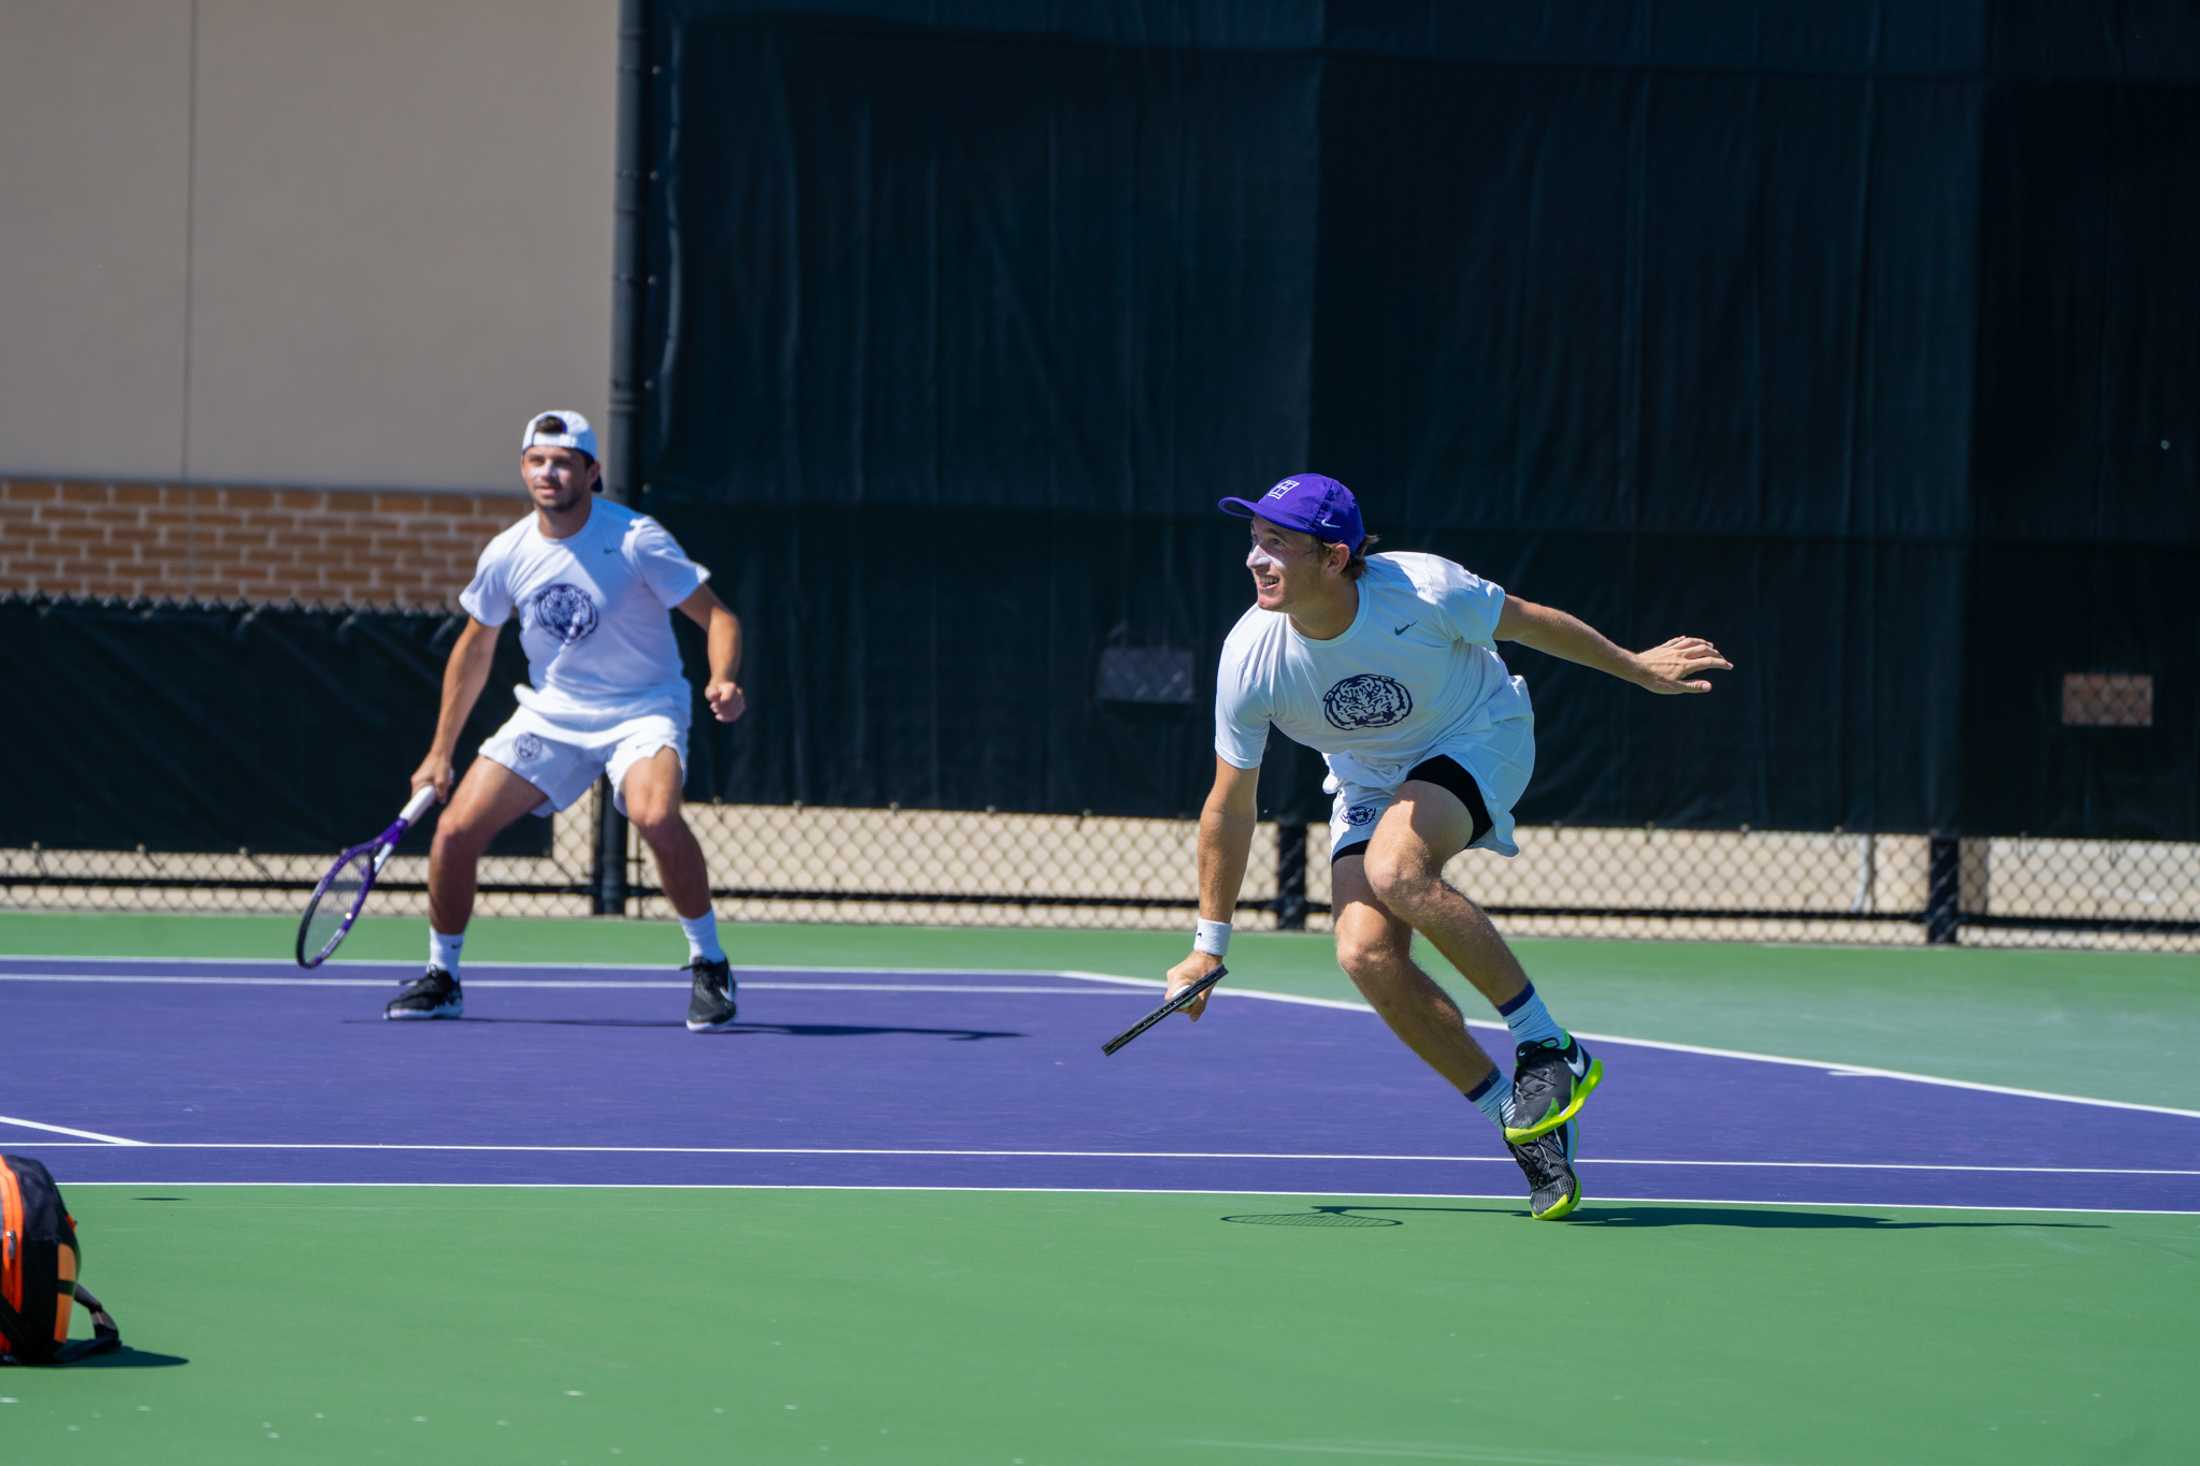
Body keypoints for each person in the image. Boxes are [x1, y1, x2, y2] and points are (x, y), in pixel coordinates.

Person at [1164, 473, 1730, 1219]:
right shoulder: (1251, 656)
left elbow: (1530, 622)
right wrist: (1208, 945)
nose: (1255, 560)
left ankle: (1546, 1044)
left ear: (1334, 558)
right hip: (1369, 782)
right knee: (1364, 953)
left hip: (1478, 736)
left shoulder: (1424, 591)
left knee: (1395, 868)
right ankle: (1517, 1122)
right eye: (1254, 541)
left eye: (1277, 544)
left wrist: (1637, 668)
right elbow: (1229, 805)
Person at [385, 410, 747, 1031]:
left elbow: (719, 617)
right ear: (524, 468)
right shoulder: (508, 553)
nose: (548, 472)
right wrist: (439, 750)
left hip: (643, 709)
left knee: (655, 814)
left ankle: (709, 962)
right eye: (537, 461)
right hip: (552, 715)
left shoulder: (635, 539)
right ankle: (443, 977)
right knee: (454, 833)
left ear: (591, 471)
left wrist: (723, 677)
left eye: (563, 462)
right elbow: (474, 649)